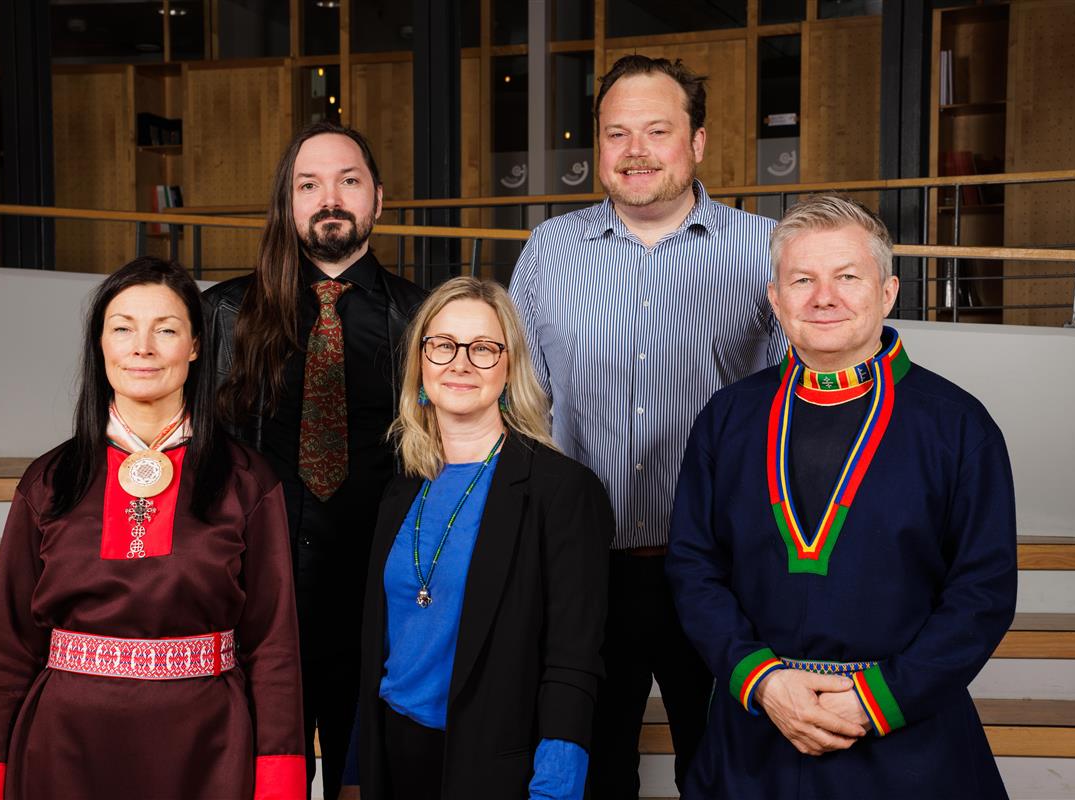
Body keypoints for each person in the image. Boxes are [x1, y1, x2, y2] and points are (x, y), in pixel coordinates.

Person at [666, 194, 1017, 798]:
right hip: (755, 736)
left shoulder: (959, 425)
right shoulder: (727, 417)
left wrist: (876, 700)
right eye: (802, 280)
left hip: (908, 744)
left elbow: (982, 593)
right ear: (775, 300)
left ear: (888, 292)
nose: (823, 297)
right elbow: (693, 567)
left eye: (847, 277)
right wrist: (765, 682)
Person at [509, 54, 786, 796]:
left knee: (722, 768)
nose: (635, 150)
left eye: (657, 131)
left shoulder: (765, 251)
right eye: (617, 133)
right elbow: (521, 407)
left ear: (697, 143)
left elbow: (793, 411)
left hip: (721, 567)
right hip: (584, 568)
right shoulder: (549, 251)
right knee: (595, 768)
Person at [0, 257, 305, 800]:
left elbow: (273, 645)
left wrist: (280, 781)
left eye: (165, 330)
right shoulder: (48, 481)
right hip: (64, 751)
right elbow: (8, 644)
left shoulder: (247, 481)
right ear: (100, 345)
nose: (142, 348)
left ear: (195, 346)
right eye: (122, 328)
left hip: (207, 749)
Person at [203, 120, 426, 800]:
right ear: (287, 202)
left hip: (382, 612)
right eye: (309, 185)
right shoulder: (222, 315)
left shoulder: (425, 320)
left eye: (348, 181)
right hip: (259, 606)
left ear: (377, 199)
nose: (330, 198)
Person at [355, 277, 613, 800]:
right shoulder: (402, 489)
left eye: (483, 348)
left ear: (510, 366)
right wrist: (356, 770)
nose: (461, 363)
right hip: (394, 755)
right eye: (443, 345)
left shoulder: (561, 490)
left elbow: (573, 657)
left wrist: (557, 787)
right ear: (421, 363)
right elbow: (380, 643)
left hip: (497, 766)